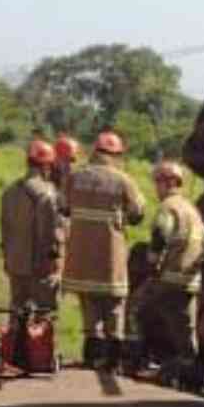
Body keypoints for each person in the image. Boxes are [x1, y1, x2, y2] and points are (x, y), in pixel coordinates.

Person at [61, 130, 146, 371]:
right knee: (115, 306)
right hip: (111, 258)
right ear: (117, 155)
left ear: (95, 151)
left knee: (88, 305)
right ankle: (112, 360)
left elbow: (63, 207)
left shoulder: (76, 178)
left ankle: (90, 356)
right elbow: (138, 213)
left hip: (81, 257)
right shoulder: (123, 180)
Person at [125, 160, 204, 386]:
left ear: (168, 182)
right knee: (185, 327)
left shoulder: (168, 207)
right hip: (190, 280)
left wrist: (153, 264)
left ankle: (136, 362)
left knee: (135, 309)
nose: (156, 187)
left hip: (168, 278)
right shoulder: (192, 209)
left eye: (158, 182)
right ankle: (192, 375)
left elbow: (161, 233)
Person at [2, 138, 69, 323]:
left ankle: (12, 350)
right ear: (47, 166)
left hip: (15, 265)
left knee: (16, 315)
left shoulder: (9, 192)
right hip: (40, 269)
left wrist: (8, 260)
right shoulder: (47, 194)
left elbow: (5, 230)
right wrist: (54, 267)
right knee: (43, 320)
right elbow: (50, 235)